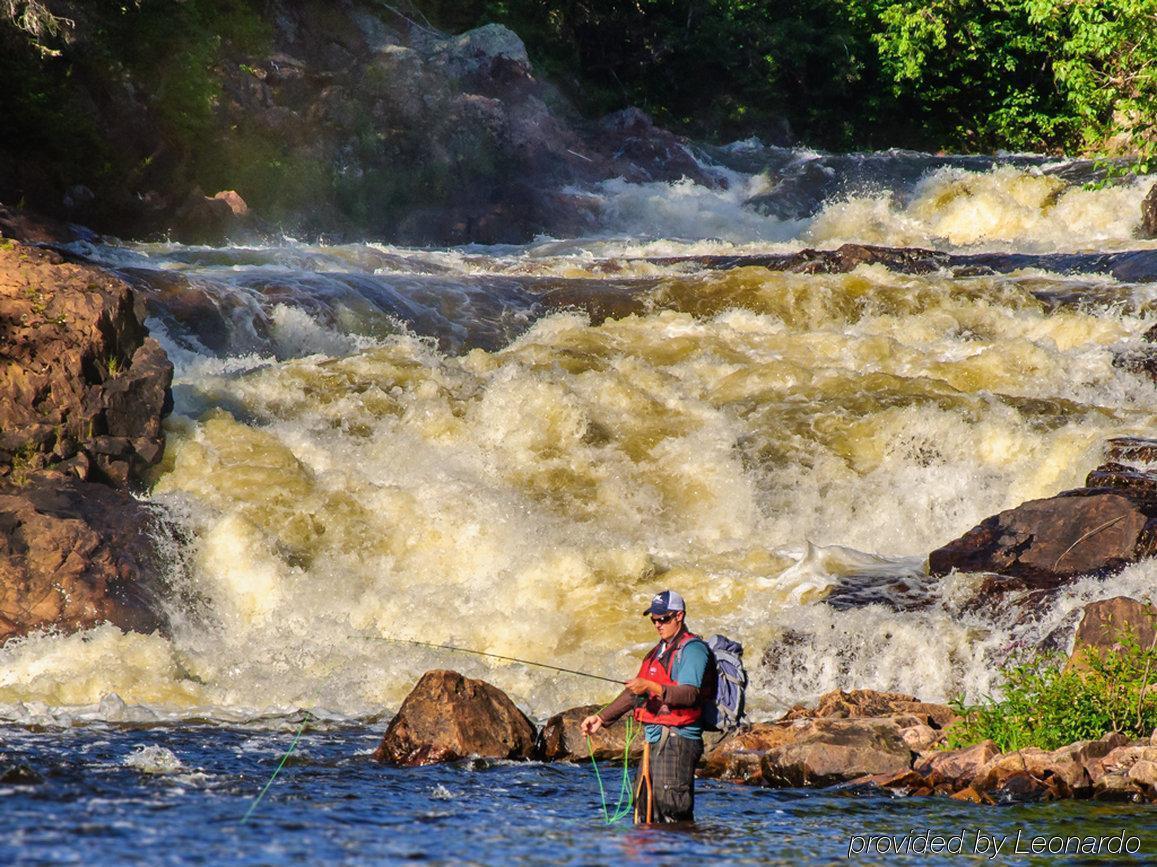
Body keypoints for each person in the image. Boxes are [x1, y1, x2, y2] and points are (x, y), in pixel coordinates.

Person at [580, 589, 710, 823]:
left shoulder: (693, 650)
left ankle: (676, 856)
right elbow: (634, 692)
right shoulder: (656, 652)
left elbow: (690, 694)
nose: (658, 624)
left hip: (678, 739)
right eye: (654, 620)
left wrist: (652, 686)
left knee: (671, 809)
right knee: (644, 807)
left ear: (679, 616)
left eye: (664, 619)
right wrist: (600, 718)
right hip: (654, 738)